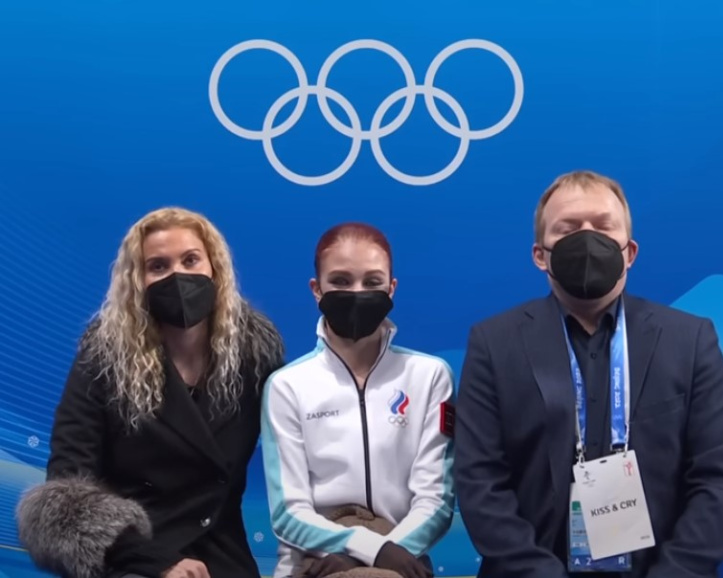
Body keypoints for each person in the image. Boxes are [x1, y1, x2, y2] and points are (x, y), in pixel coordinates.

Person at [454, 170, 723, 578]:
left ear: (630, 252)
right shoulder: (493, 343)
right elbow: (479, 482)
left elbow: (720, 483)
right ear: (540, 255)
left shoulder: (690, 340)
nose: (588, 239)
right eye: (569, 229)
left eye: (604, 226)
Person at [15, 207, 285, 578]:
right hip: (133, 553)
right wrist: (154, 561)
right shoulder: (103, 359)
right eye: (158, 266)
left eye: (190, 260)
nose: (178, 275)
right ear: (138, 281)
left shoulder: (256, 355)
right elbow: (65, 491)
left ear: (215, 268)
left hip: (222, 551)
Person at [261, 222, 455, 578]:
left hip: (403, 560)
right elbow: (289, 512)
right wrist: (369, 549)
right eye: (340, 281)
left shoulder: (430, 376)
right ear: (316, 289)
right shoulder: (287, 386)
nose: (356, 292)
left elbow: (436, 501)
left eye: (372, 282)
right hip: (313, 563)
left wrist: (378, 555)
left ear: (391, 289)